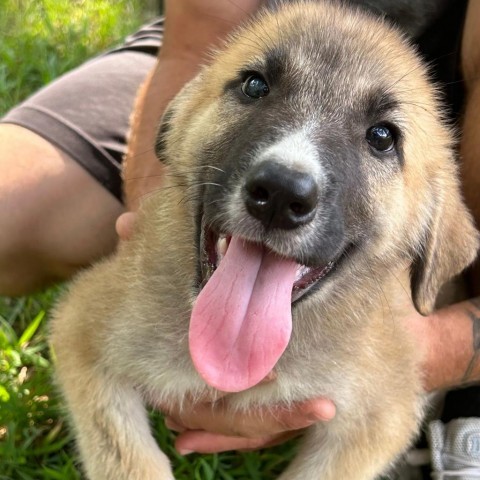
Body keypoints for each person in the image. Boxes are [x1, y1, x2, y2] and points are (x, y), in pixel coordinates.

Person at [1, 0, 480, 467]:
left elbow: (380, 416)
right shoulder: (203, 92)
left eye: (382, 138)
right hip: (237, 43)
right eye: (254, 87)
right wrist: (147, 225)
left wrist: (432, 350)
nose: (289, 180)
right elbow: (194, 48)